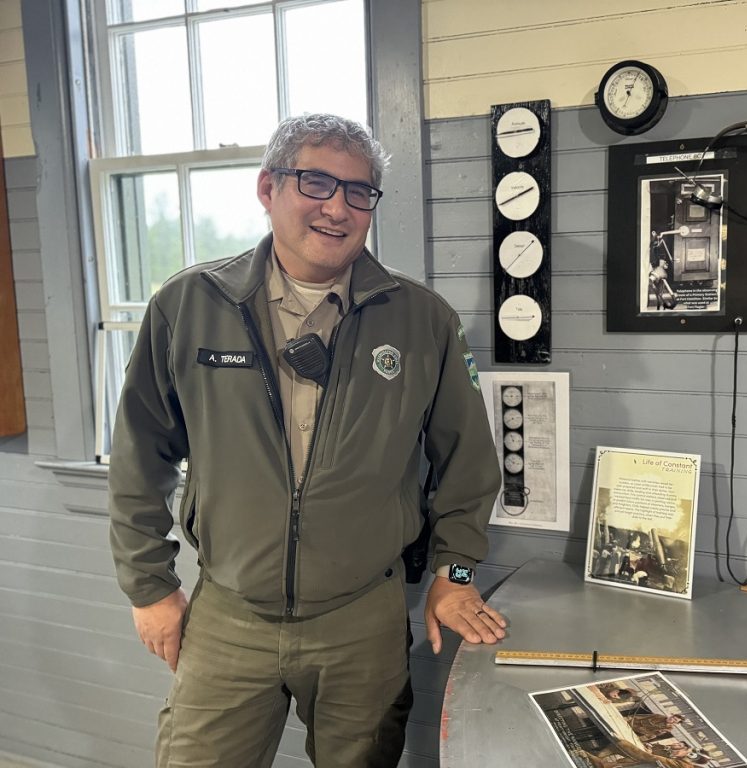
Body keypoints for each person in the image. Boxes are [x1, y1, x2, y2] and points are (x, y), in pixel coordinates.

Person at [108, 113, 507, 768]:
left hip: (364, 624)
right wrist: (148, 587)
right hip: (229, 618)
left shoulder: (420, 319)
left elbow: (469, 465)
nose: (337, 207)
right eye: (315, 182)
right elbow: (138, 459)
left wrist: (456, 574)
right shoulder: (188, 307)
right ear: (268, 188)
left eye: (358, 191)